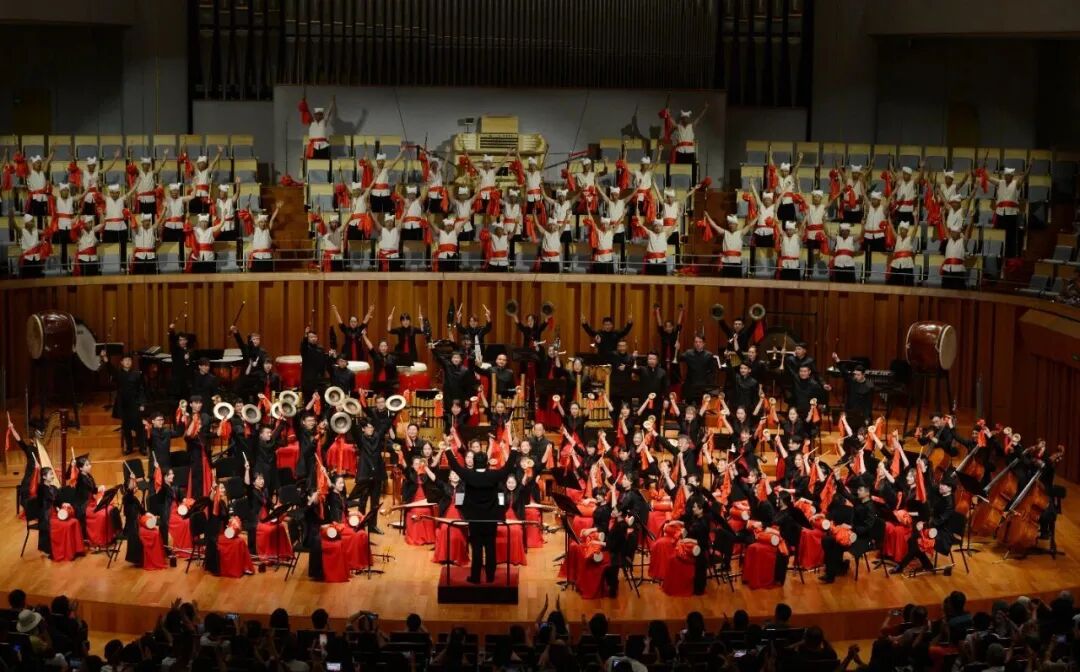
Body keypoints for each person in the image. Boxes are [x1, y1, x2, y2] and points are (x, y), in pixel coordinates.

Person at [445, 448, 520, 583]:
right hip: (490, 518)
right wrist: (513, 449)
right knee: (491, 547)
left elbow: (455, 466)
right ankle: (490, 576)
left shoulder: (469, 475)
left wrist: (447, 449)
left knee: (477, 548)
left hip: (474, 518)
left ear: (474, 462)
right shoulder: (493, 475)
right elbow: (508, 467)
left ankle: (475, 577)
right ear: (486, 463)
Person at [100, 351, 147, 455]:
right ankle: (129, 448)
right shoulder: (118, 374)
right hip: (123, 404)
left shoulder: (137, 374)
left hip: (135, 403)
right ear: (121, 362)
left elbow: (141, 390)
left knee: (139, 426)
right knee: (126, 427)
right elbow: (111, 370)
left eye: (129, 360)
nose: (128, 362)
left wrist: (142, 403)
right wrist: (105, 359)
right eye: (125, 360)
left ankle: (142, 448)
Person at [987, 165, 1030, 257]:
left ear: (1012, 176)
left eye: (1008, 175)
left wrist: (1029, 168)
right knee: (999, 234)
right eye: (1005, 175)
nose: (1006, 177)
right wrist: (982, 171)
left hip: (1011, 214)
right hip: (1000, 213)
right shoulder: (1000, 182)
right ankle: (999, 253)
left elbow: (1023, 178)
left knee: (1011, 236)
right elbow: (989, 179)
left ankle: (1010, 256)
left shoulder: (1016, 183)